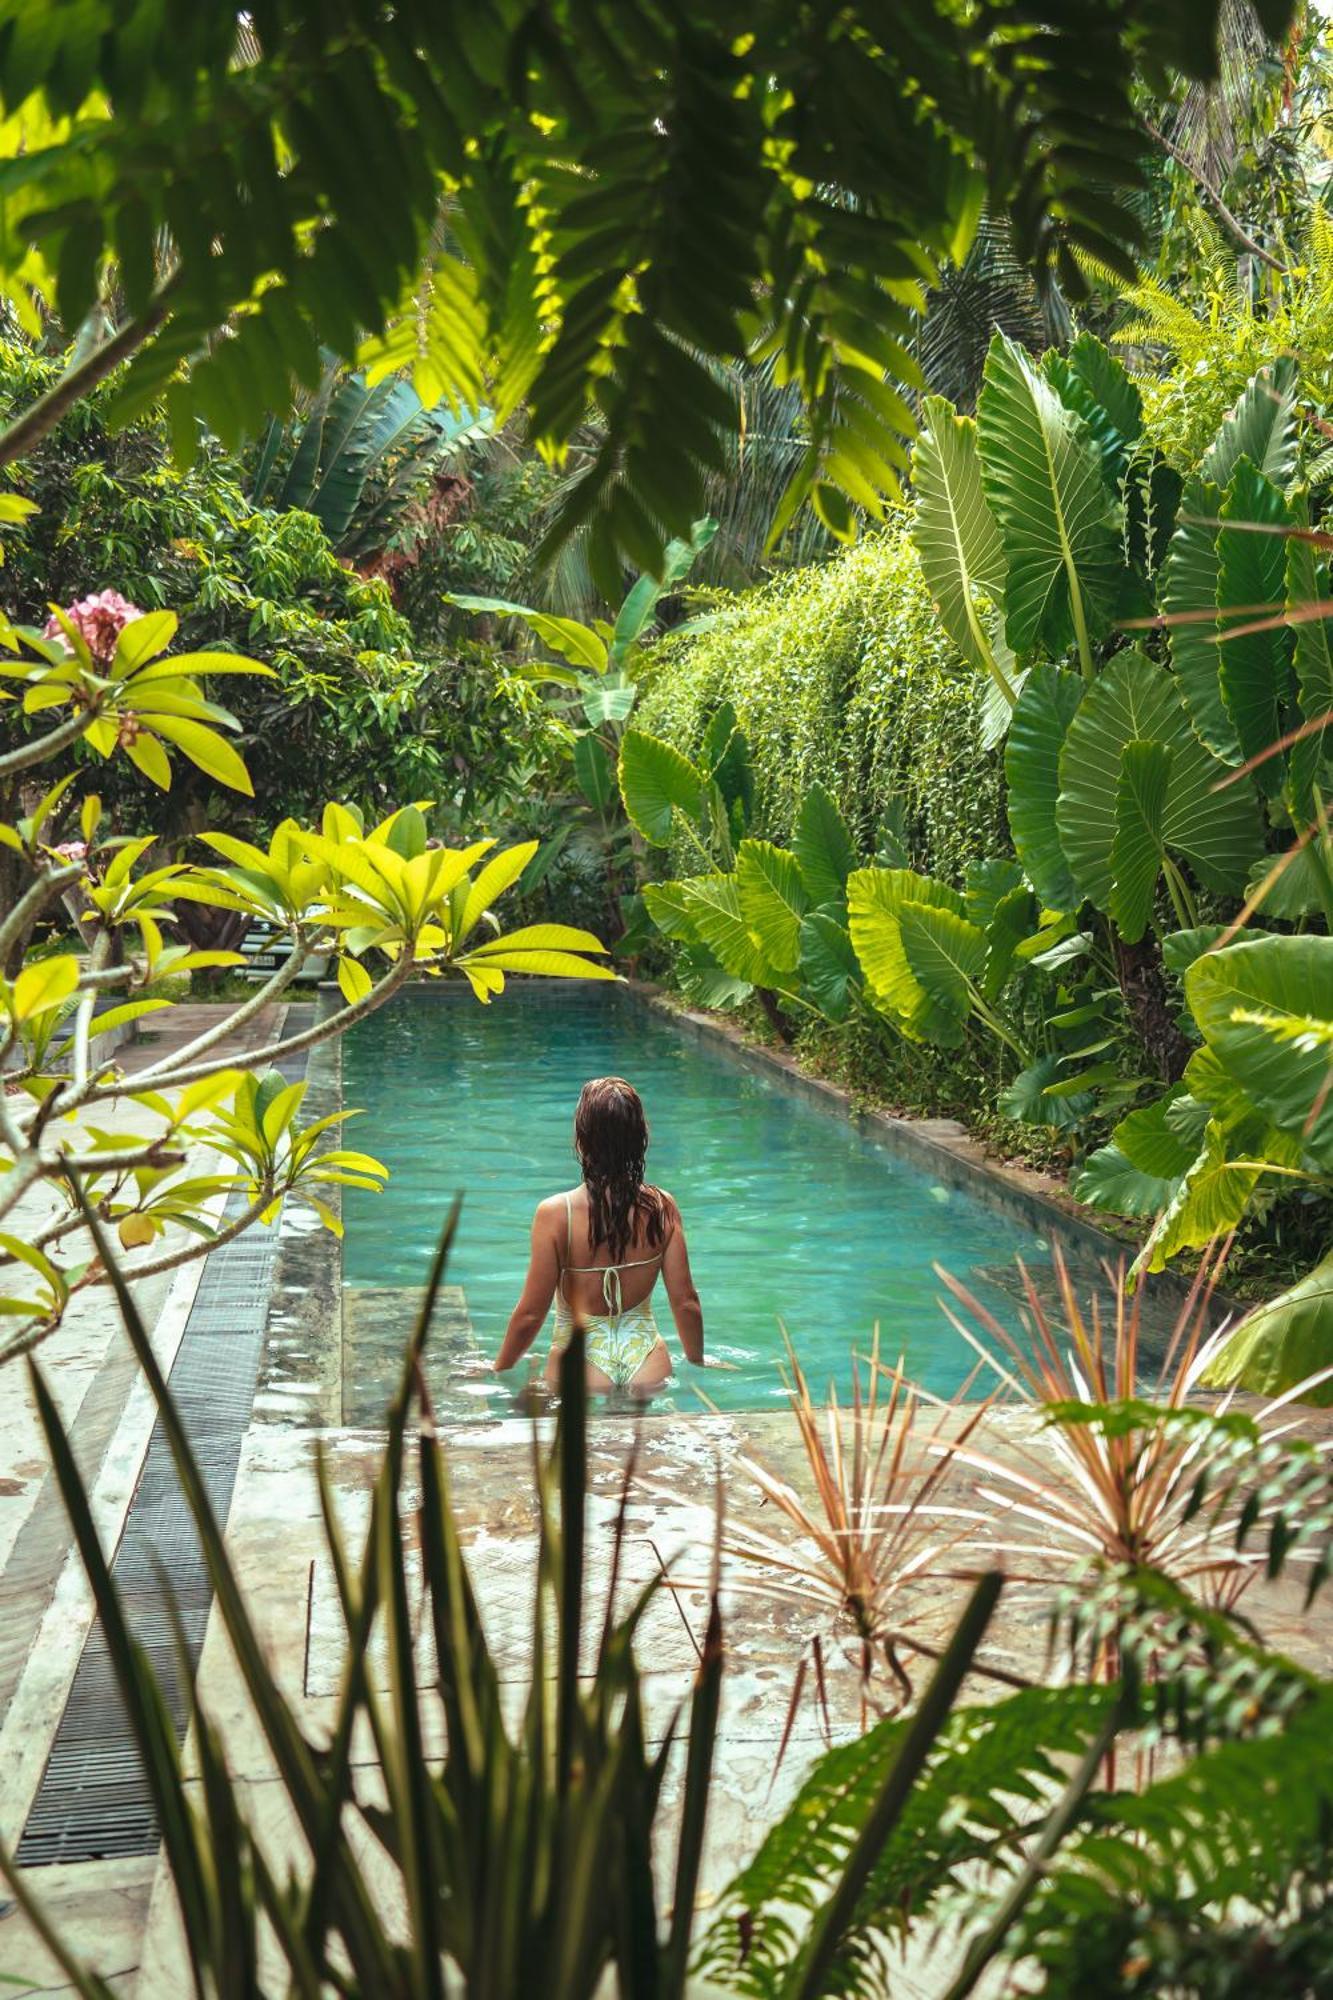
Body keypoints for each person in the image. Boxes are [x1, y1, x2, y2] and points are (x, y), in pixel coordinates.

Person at [494, 1075, 704, 1393]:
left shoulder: (555, 1214)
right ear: (641, 1138)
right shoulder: (663, 1207)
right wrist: (697, 1361)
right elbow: (685, 1301)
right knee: (640, 1442)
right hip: (646, 1360)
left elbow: (530, 1314)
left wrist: (499, 1369)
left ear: (582, 1140)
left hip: (578, 1362)